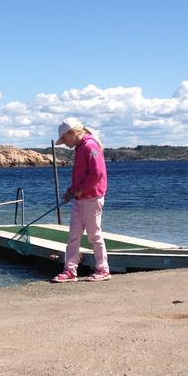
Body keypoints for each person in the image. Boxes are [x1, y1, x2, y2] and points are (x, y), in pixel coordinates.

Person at [52, 118, 109, 283]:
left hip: (91, 198)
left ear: (72, 133)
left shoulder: (90, 146)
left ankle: (103, 268)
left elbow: (97, 174)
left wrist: (80, 190)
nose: (64, 143)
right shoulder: (81, 148)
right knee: (73, 235)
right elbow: (82, 176)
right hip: (80, 198)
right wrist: (71, 191)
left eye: (64, 139)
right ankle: (70, 270)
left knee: (94, 234)